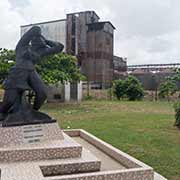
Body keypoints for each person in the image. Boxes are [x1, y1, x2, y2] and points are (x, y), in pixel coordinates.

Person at [0, 26, 64, 120]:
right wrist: (38, 32)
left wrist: (46, 40)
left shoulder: (41, 51)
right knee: (9, 101)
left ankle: (32, 113)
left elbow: (59, 47)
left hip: (31, 73)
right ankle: (2, 113)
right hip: (18, 72)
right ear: (32, 40)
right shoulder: (22, 46)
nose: (38, 39)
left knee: (42, 94)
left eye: (40, 39)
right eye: (36, 38)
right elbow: (35, 29)